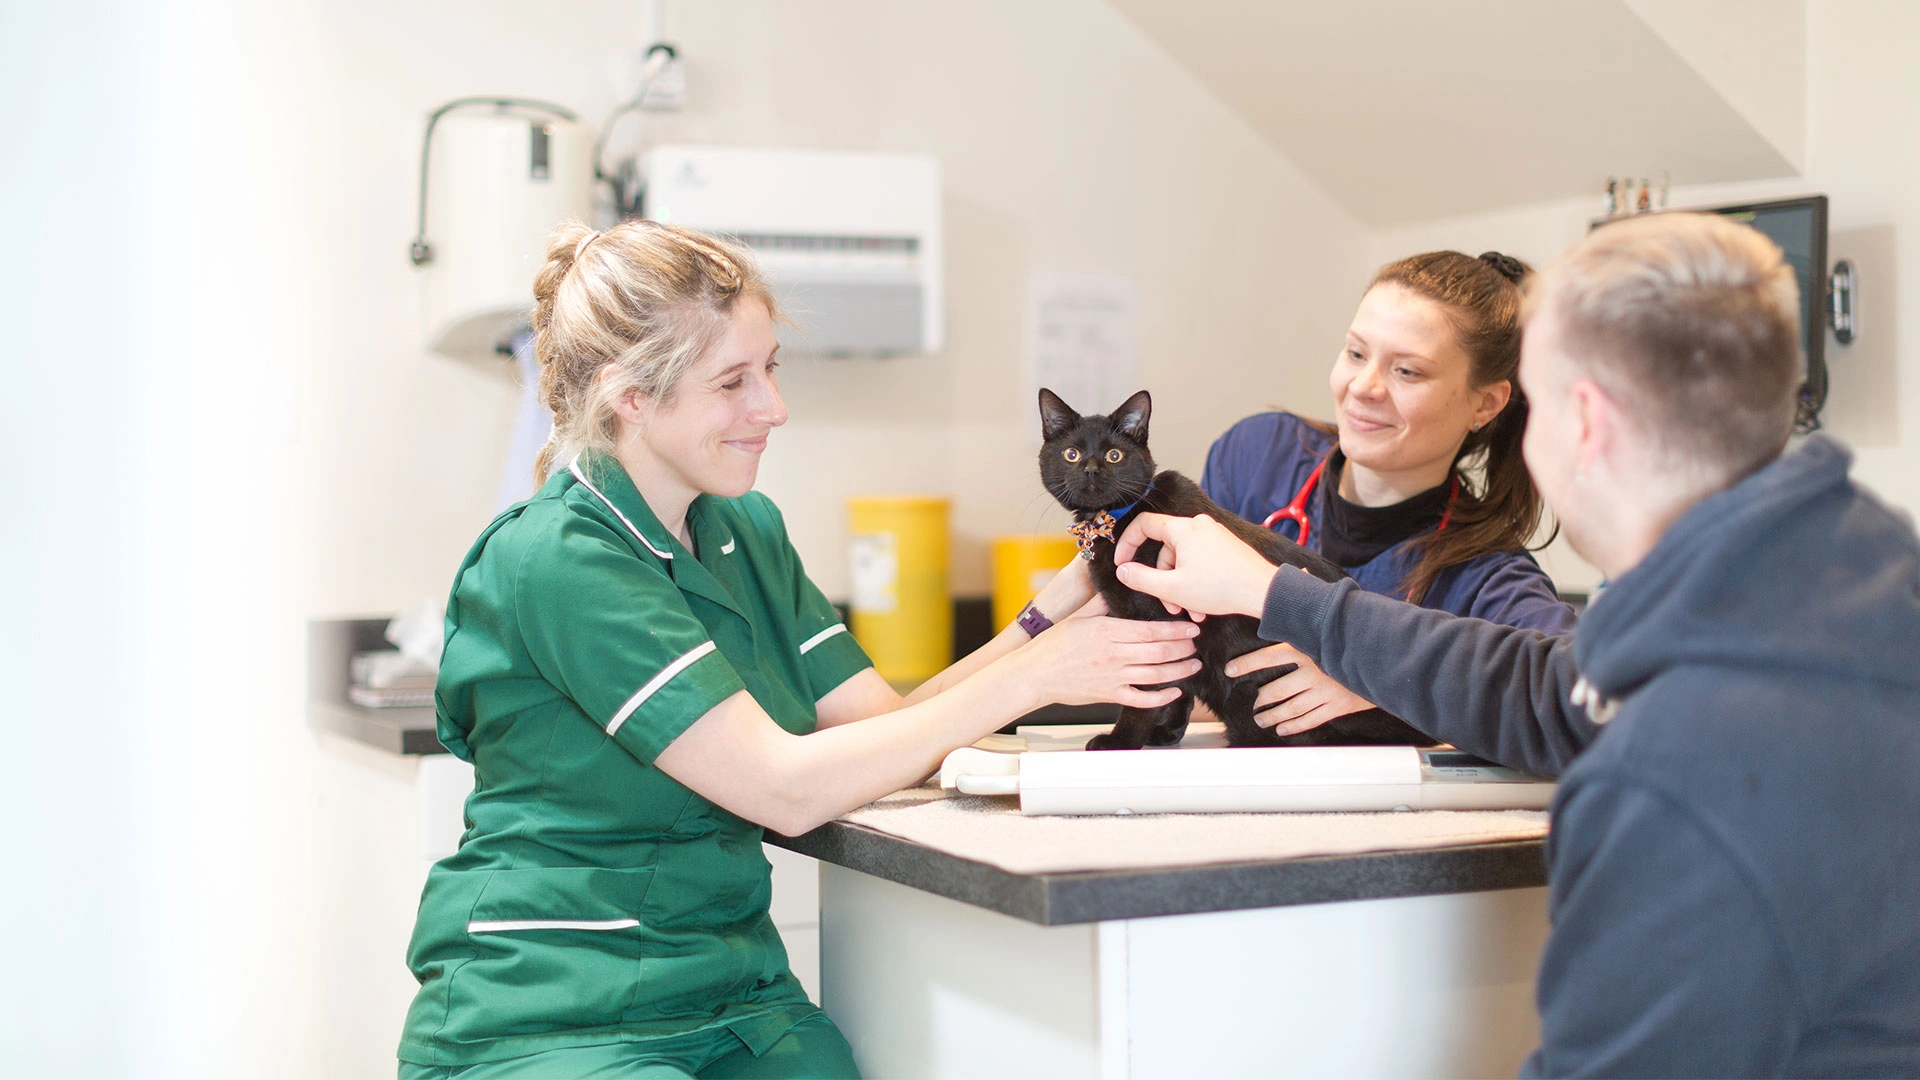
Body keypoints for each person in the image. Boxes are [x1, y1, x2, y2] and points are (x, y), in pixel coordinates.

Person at [1110, 212, 1920, 1076]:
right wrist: (1284, 597)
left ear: (1585, 423)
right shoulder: (1860, 578)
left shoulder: (1672, 774)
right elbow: (1549, 688)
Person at [396, 220, 1201, 1079]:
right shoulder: (558, 556)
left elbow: (890, 733)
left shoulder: (743, 528)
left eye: (770, 368)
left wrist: (1041, 624)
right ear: (630, 393)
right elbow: (782, 785)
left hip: (732, 993)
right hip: (554, 1006)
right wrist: (1042, 675)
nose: (772, 407)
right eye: (733, 381)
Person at [1201, 251, 1576, 739]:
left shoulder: (1489, 578)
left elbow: (1580, 701)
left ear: (1484, 403)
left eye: (1407, 372)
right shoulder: (1256, 458)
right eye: (1356, 353)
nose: (1363, 387)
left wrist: (1393, 684)